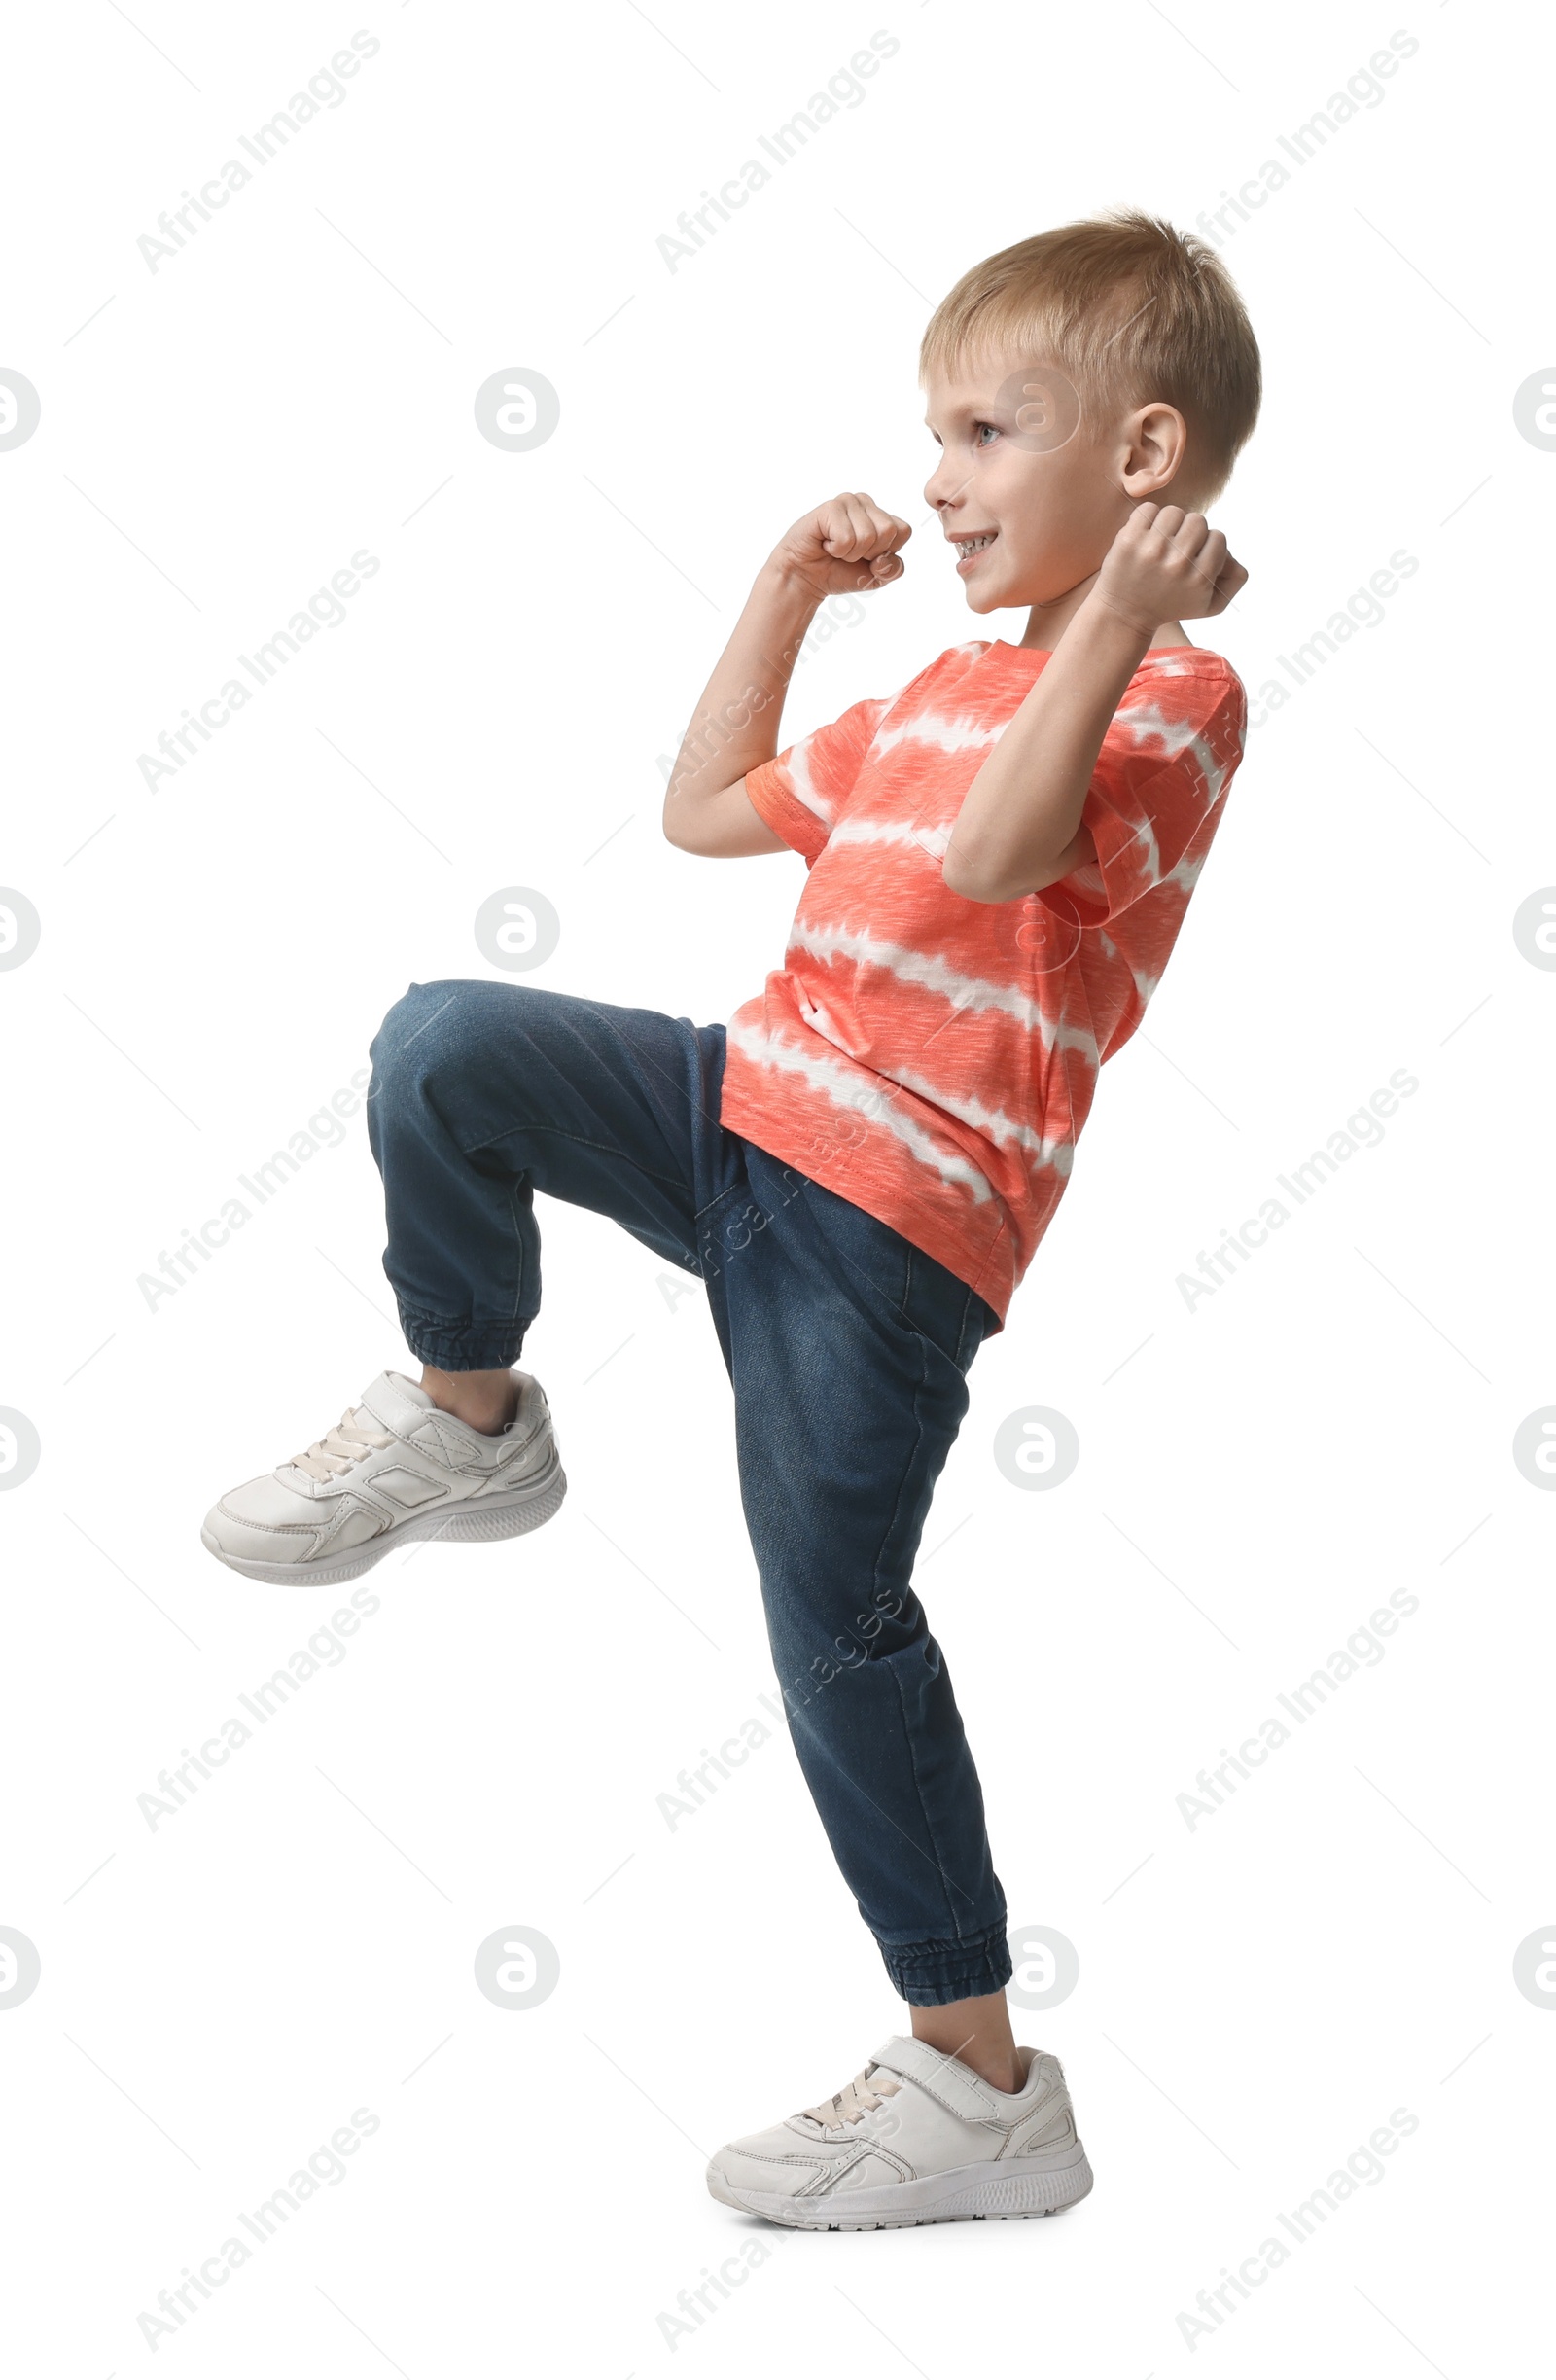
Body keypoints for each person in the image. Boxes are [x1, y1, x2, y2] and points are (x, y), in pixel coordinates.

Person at [202, 211, 1258, 2231]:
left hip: (885, 1231)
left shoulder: (1174, 697)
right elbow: (704, 811)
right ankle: (466, 1418)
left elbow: (1001, 846)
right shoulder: (941, 680)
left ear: (1135, 458)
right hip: (734, 1106)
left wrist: (1112, 627)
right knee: (448, 1044)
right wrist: (781, 589)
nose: (936, 477)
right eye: (926, 434)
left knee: (832, 1628)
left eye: (979, 430)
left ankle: (977, 2091)